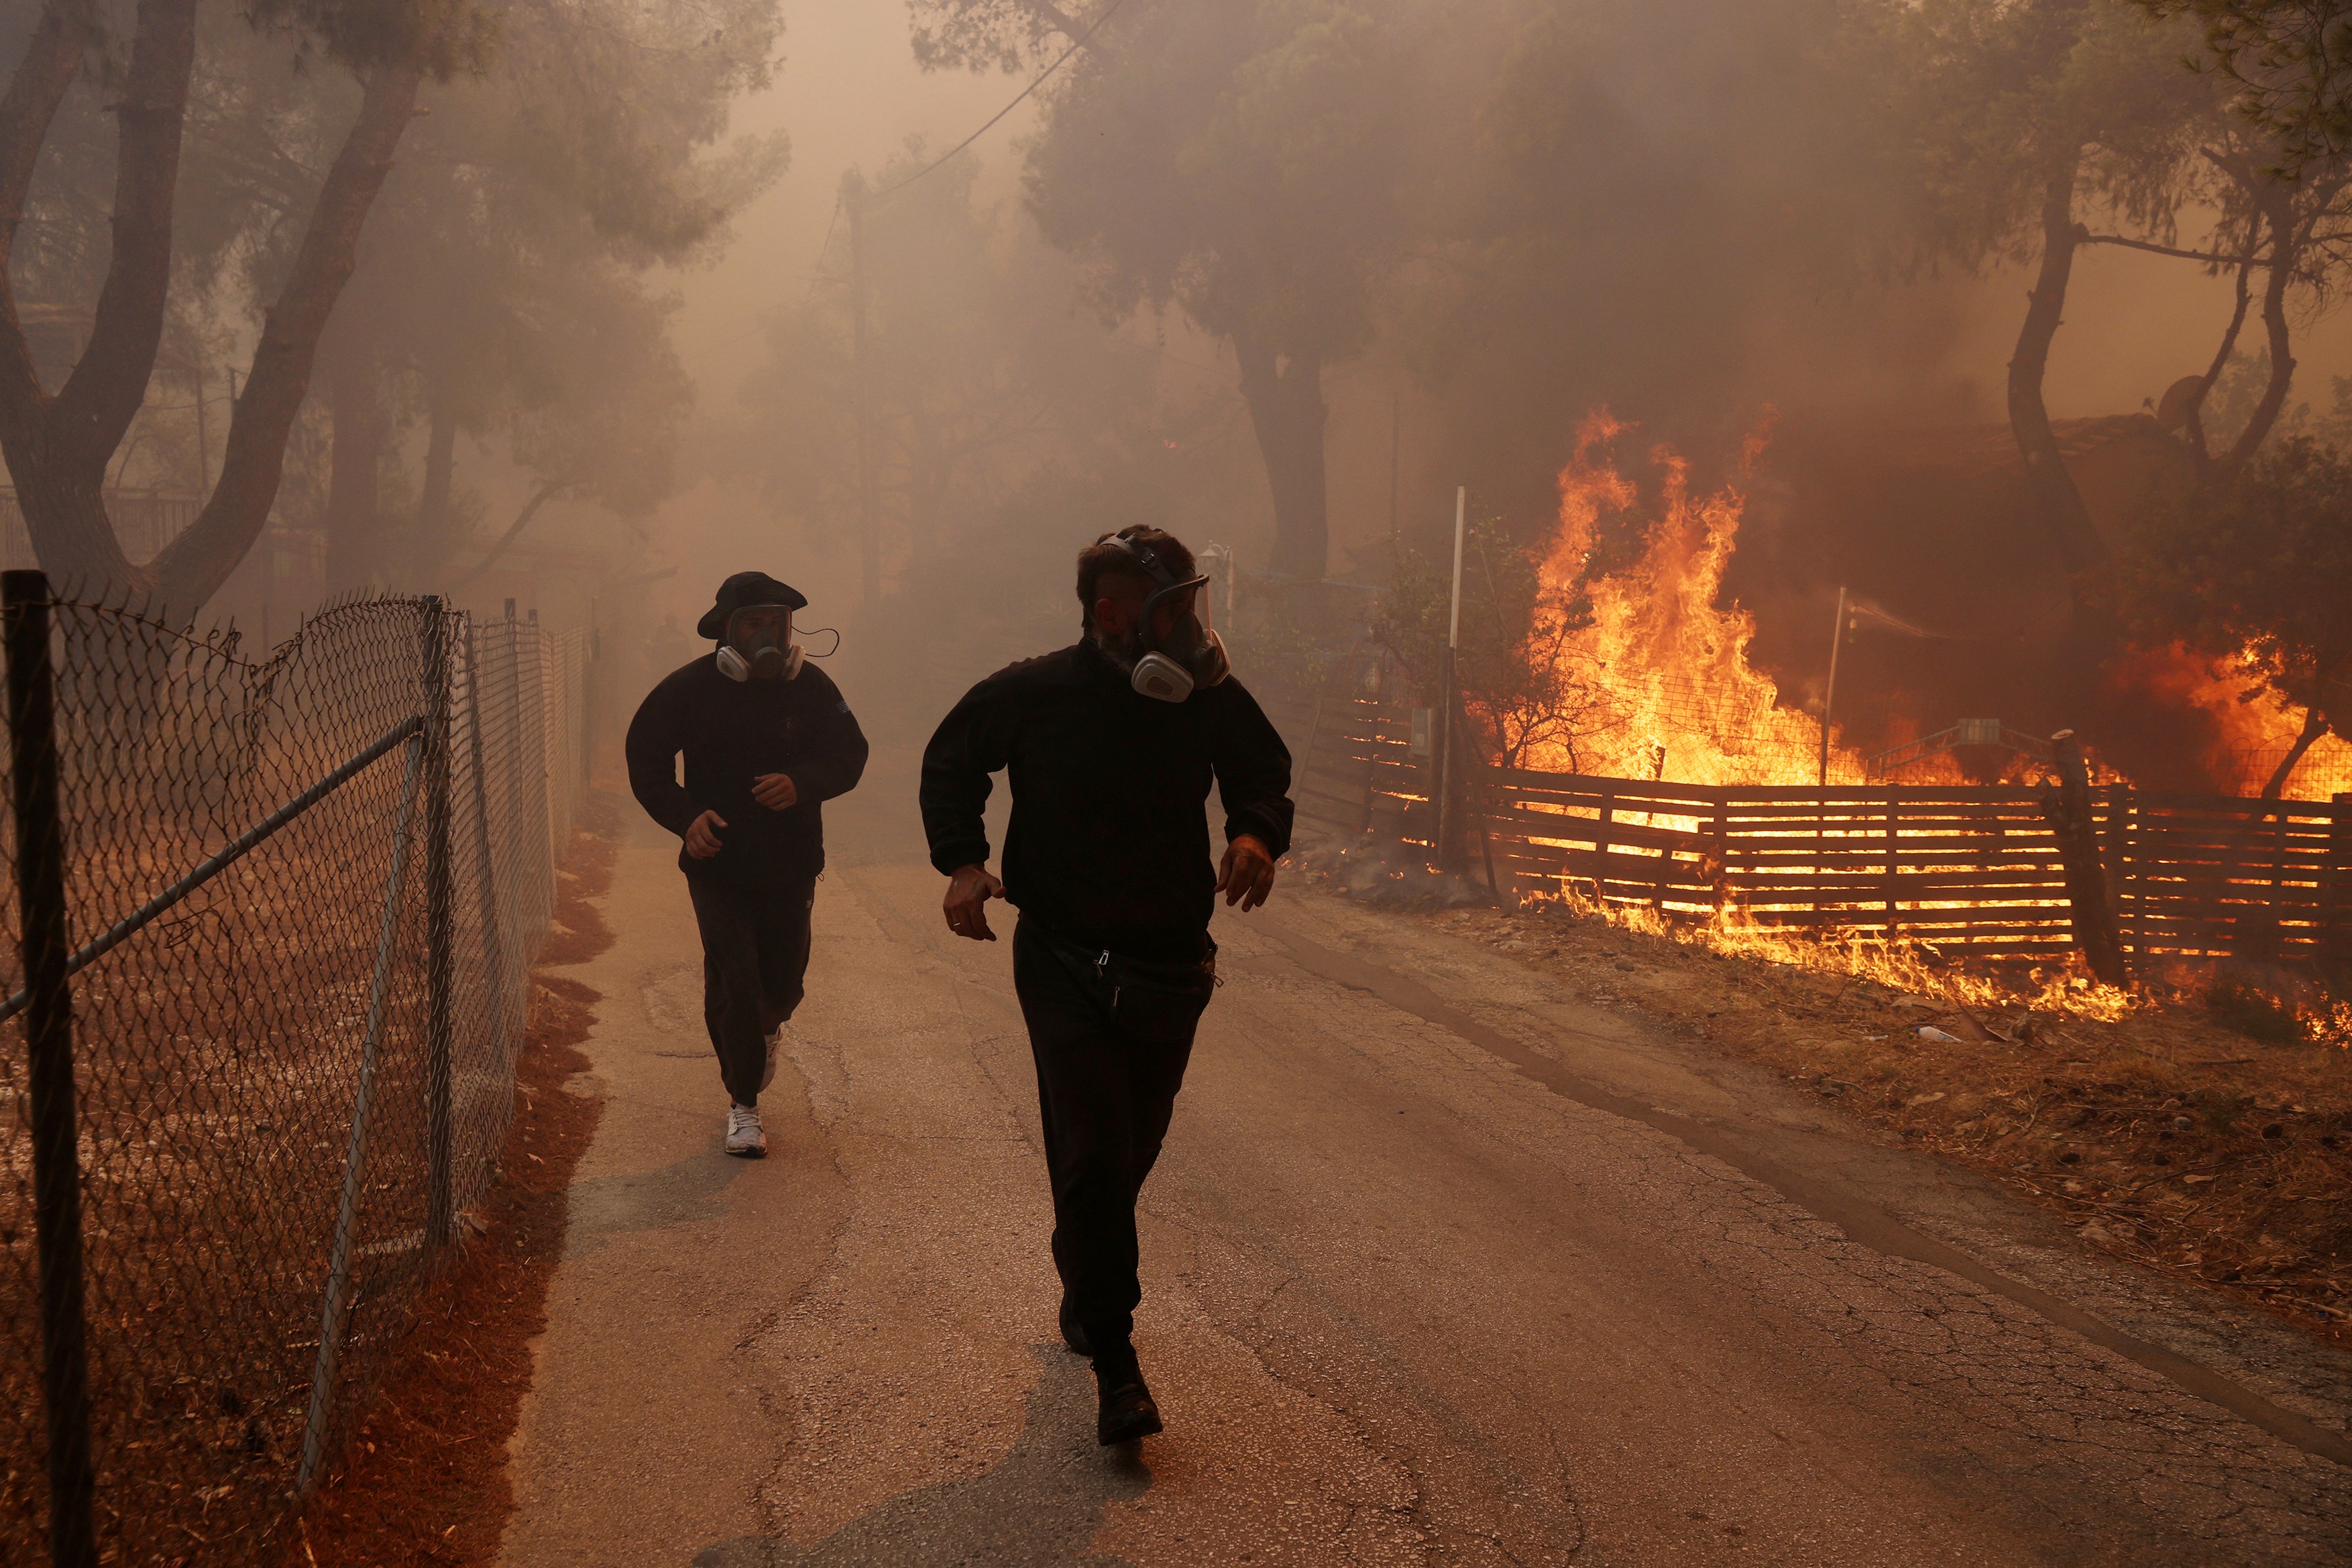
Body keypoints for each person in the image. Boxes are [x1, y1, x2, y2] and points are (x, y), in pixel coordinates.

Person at [919, 526, 1294, 1445]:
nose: (1189, 625)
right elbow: (950, 761)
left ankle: (1082, 1269)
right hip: (1060, 959)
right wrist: (962, 862)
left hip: (1169, 965)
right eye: (1171, 607)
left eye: (1190, 603)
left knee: (1124, 1157)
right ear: (1112, 612)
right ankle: (1116, 1363)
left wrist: (1253, 832)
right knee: (1091, 1152)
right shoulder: (1033, 692)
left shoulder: (1206, 698)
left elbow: (1263, 771)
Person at [626, 571, 868, 1158]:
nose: (768, 636)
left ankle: (767, 1029)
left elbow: (849, 754)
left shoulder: (811, 687)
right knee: (735, 980)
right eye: (754, 623)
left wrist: (803, 782)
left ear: (791, 629)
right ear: (727, 632)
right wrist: (686, 818)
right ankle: (744, 1107)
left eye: (777, 624)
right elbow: (647, 762)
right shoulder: (688, 689)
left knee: (781, 984)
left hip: (791, 865)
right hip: (718, 867)